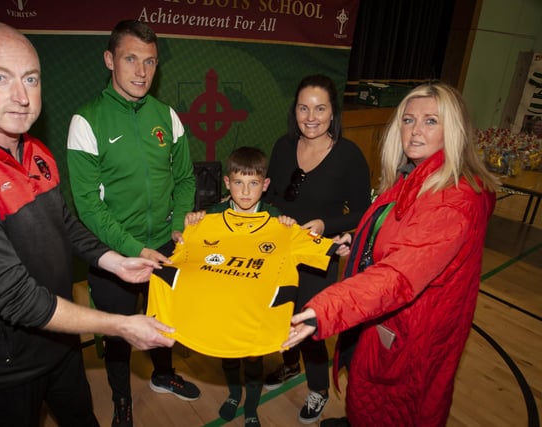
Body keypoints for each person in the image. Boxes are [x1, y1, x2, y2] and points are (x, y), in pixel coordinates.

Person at [0, 21, 176, 427]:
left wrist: (112, 261)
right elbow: (14, 297)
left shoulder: (33, 148)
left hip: (59, 343)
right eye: (0, 77)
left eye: (30, 79)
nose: (21, 97)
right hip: (2, 370)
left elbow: (64, 222)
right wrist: (119, 325)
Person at [283, 82, 500, 427]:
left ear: (454, 129)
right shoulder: (416, 176)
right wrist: (359, 247)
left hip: (411, 327)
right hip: (387, 315)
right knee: (369, 391)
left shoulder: (452, 200)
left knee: (395, 405)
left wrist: (324, 310)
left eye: (430, 121)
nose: (414, 131)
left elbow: (400, 273)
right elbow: (399, 240)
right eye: (408, 120)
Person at [66, 19, 199, 426]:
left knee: (162, 320)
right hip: (112, 255)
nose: (141, 72)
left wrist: (178, 224)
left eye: (150, 61)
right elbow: (88, 206)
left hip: (164, 245)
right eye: (130, 59)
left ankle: (163, 375)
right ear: (110, 60)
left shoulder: (167, 116)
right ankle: (122, 400)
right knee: (121, 334)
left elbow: (186, 179)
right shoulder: (85, 121)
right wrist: (129, 249)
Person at [262, 74, 371, 424]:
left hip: (318, 255)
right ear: (294, 110)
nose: (311, 116)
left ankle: (319, 389)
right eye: (303, 107)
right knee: (280, 314)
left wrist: (327, 226)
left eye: (320, 108)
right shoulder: (282, 146)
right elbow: (273, 197)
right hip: (281, 250)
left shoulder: (348, 155)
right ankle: (290, 366)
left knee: (311, 322)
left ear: (332, 112)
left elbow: (361, 212)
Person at [183, 147, 293, 427]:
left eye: (253, 183)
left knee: (254, 360)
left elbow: (289, 250)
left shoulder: (274, 217)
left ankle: (252, 408)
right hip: (225, 305)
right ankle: (234, 395)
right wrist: (192, 224)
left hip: (255, 306)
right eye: (239, 183)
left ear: (265, 185)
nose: (245, 192)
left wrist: (288, 226)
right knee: (229, 355)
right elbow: (190, 251)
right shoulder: (214, 215)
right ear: (227, 183)